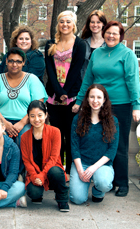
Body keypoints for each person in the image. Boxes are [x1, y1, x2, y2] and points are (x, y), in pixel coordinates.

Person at [73, 21, 140, 197]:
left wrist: (136, 105)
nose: (111, 36)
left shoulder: (127, 55)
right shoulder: (97, 54)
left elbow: (133, 81)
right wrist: (80, 101)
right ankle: (105, 180)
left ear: (121, 36)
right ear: (104, 34)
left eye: (115, 34)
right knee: (101, 141)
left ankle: (122, 183)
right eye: (108, 33)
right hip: (98, 104)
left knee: (120, 144)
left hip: (120, 104)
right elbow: (88, 80)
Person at [45, 10, 86, 177]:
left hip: (72, 97)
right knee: (56, 136)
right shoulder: (50, 44)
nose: (65, 25)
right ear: (58, 24)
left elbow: (76, 70)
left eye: (68, 22)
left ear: (73, 24)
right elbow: (50, 70)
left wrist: (66, 92)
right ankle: (57, 169)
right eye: (62, 22)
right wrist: (59, 91)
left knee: (70, 135)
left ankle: (70, 171)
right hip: (54, 97)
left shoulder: (80, 44)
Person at [69, 84, 119, 204]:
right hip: (82, 163)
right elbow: (74, 147)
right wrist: (81, 170)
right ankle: (84, 184)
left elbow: (112, 149)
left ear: (104, 100)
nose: (95, 101)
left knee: (104, 183)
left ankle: (98, 190)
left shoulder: (113, 121)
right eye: (92, 97)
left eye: (99, 97)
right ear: (87, 99)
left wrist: (94, 168)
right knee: (77, 199)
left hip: (101, 165)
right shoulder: (78, 119)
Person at [0, 47, 47, 149]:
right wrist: (4, 123)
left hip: (27, 121)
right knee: (2, 140)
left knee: (23, 138)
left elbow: (38, 106)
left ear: (23, 63)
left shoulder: (32, 79)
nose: (14, 64)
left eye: (18, 61)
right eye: (11, 61)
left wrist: (22, 123)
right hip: (2, 120)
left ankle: (22, 166)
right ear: (6, 61)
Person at [21, 100, 70, 212]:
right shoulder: (24, 137)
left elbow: (54, 158)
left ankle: (62, 198)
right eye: (32, 116)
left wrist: (43, 175)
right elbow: (26, 161)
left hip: (51, 169)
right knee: (33, 194)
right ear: (28, 117)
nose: (36, 119)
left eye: (40, 115)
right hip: (35, 171)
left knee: (56, 172)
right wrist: (34, 176)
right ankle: (38, 193)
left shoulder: (55, 131)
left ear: (46, 115)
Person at [80, 10, 107, 79]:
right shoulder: (83, 43)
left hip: (103, 85)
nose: (95, 25)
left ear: (103, 24)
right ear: (89, 24)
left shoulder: (108, 44)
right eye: (92, 22)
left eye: (98, 22)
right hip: (84, 84)